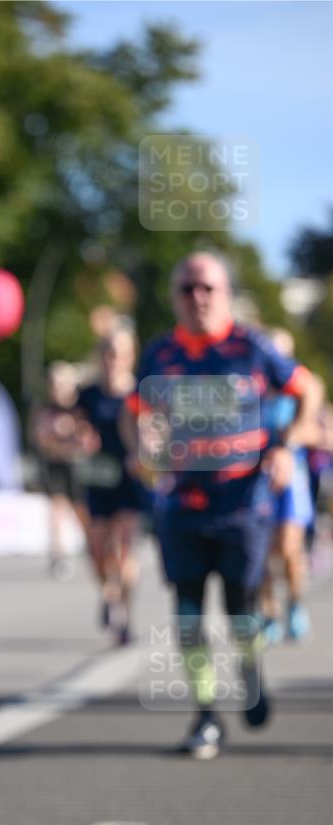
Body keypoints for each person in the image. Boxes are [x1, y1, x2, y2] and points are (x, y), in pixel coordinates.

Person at [122, 252, 319, 759]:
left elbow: (309, 389)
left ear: (225, 292)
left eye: (207, 287)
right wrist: (139, 445)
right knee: (187, 615)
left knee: (241, 613)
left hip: (242, 505)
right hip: (182, 505)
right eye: (187, 289)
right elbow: (134, 413)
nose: (198, 298)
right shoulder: (160, 354)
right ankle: (206, 716)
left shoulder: (252, 347)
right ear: (175, 298)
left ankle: (250, 670)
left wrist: (287, 444)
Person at [76, 321, 147, 645]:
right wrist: (76, 437)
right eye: (107, 353)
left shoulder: (140, 393)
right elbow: (67, 427)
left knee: (124, 546)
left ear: (130, 356)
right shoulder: (86, 394)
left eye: (118, 354)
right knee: (97, 549)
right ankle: (108, 591)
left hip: (130, 479)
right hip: (97, 478)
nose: (112, 360)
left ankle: (124, 617)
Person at [259, 329, 324, 643]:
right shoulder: (254, 388)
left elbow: (321, 435)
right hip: (258, 479)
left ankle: (296, 602)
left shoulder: (304, 389)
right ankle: (269, 611)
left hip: (292, 481)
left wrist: (291, 437)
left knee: (287, 548)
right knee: (261, 552)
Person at [31, 361, 89, 581]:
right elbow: (39, 436)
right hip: (54, 465)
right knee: (56, 508)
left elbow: (86, 437)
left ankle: (90, 544)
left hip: (77, 465)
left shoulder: (80, 408)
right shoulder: (45, 410)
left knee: (81, 509)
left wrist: (71, 433)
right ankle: (59, 554)